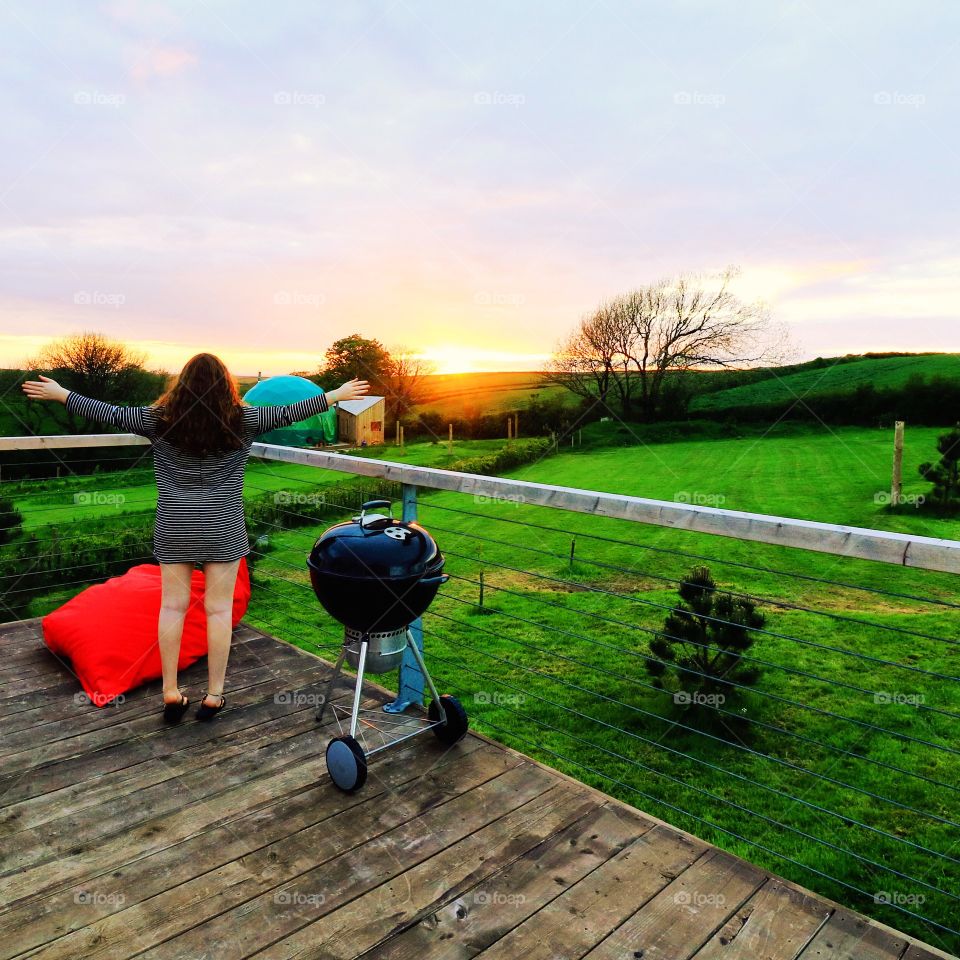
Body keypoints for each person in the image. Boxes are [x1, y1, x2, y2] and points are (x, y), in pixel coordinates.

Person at [22, 354, 369, 723]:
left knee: (171, 608)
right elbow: (291, 412)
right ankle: (214, 696)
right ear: (227, 387)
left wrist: (62, 394)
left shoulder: (157, 419)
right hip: (223, 527)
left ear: (182, 384)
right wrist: (335, 394)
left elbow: (106, 411)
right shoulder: (244, 419)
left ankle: (171, 692)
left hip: (175, 526)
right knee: (218, 611)